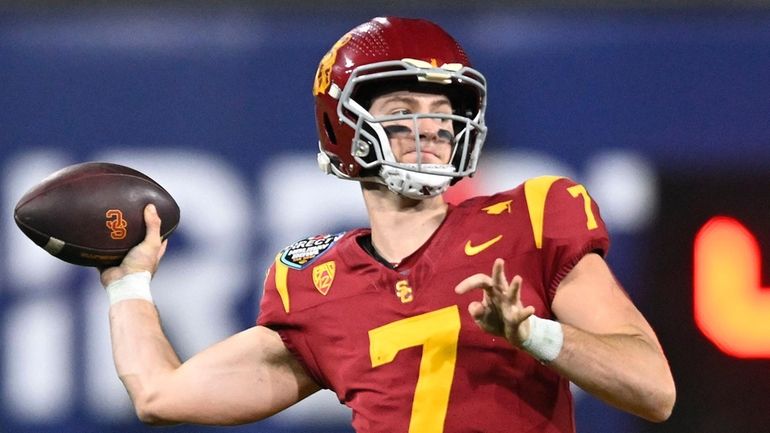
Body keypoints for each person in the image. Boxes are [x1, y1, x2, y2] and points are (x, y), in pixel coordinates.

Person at [100, 16, 676, 433]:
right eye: (402, 112)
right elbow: (160, 394)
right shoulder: (314, 284)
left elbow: (654, 389)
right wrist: (127, 282)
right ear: (341, 127)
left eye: (441, 114)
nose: (429, 131)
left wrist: (534, 336)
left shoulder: (530, 220)